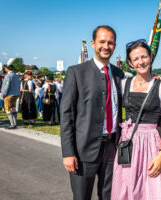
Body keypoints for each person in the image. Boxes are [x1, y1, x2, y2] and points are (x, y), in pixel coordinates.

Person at [61, 25, 124, 200]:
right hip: (83, 152)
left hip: (112, 149)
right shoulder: (76, 72)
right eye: (102, 41)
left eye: (110, 43)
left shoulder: (119, 74)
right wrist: (68, 152)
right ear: (93, 43)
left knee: (109, 196)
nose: (106, 46)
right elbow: (67, 115)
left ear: (115, 45)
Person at [111, 40, 161, 200]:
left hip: (151, 143)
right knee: (125, 187)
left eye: (144, 57)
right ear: (130, 63)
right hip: (128, 143)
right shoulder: (124, 84)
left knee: (150, 189)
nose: (141, 62)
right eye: (135, 59)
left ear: (151, 57)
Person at [0, 58, 20, 129]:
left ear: (7, 69)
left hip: (9, 95)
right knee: (13, 109)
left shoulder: (8, 76)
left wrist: (2, 95)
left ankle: (12, 124)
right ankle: (14, 123)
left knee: (8, 109)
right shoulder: (16, 76)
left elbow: (6, 87)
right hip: (16, 94)